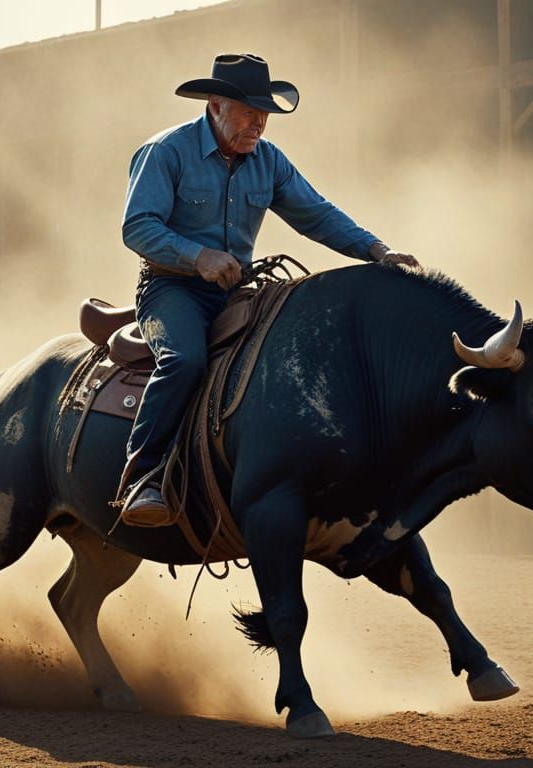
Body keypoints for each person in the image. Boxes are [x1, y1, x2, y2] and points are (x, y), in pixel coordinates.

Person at [117, 53, 418, 524]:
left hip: (236, 291)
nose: (259, 123)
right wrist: (199, 257)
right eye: (248, 111)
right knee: (185, 360)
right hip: (171, 290)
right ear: (216, 104)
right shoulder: (166, 152)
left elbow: (316, 214)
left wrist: (378, 251)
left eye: (264, 114)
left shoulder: (269, 161)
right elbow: (137, 227)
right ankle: (142, 477)